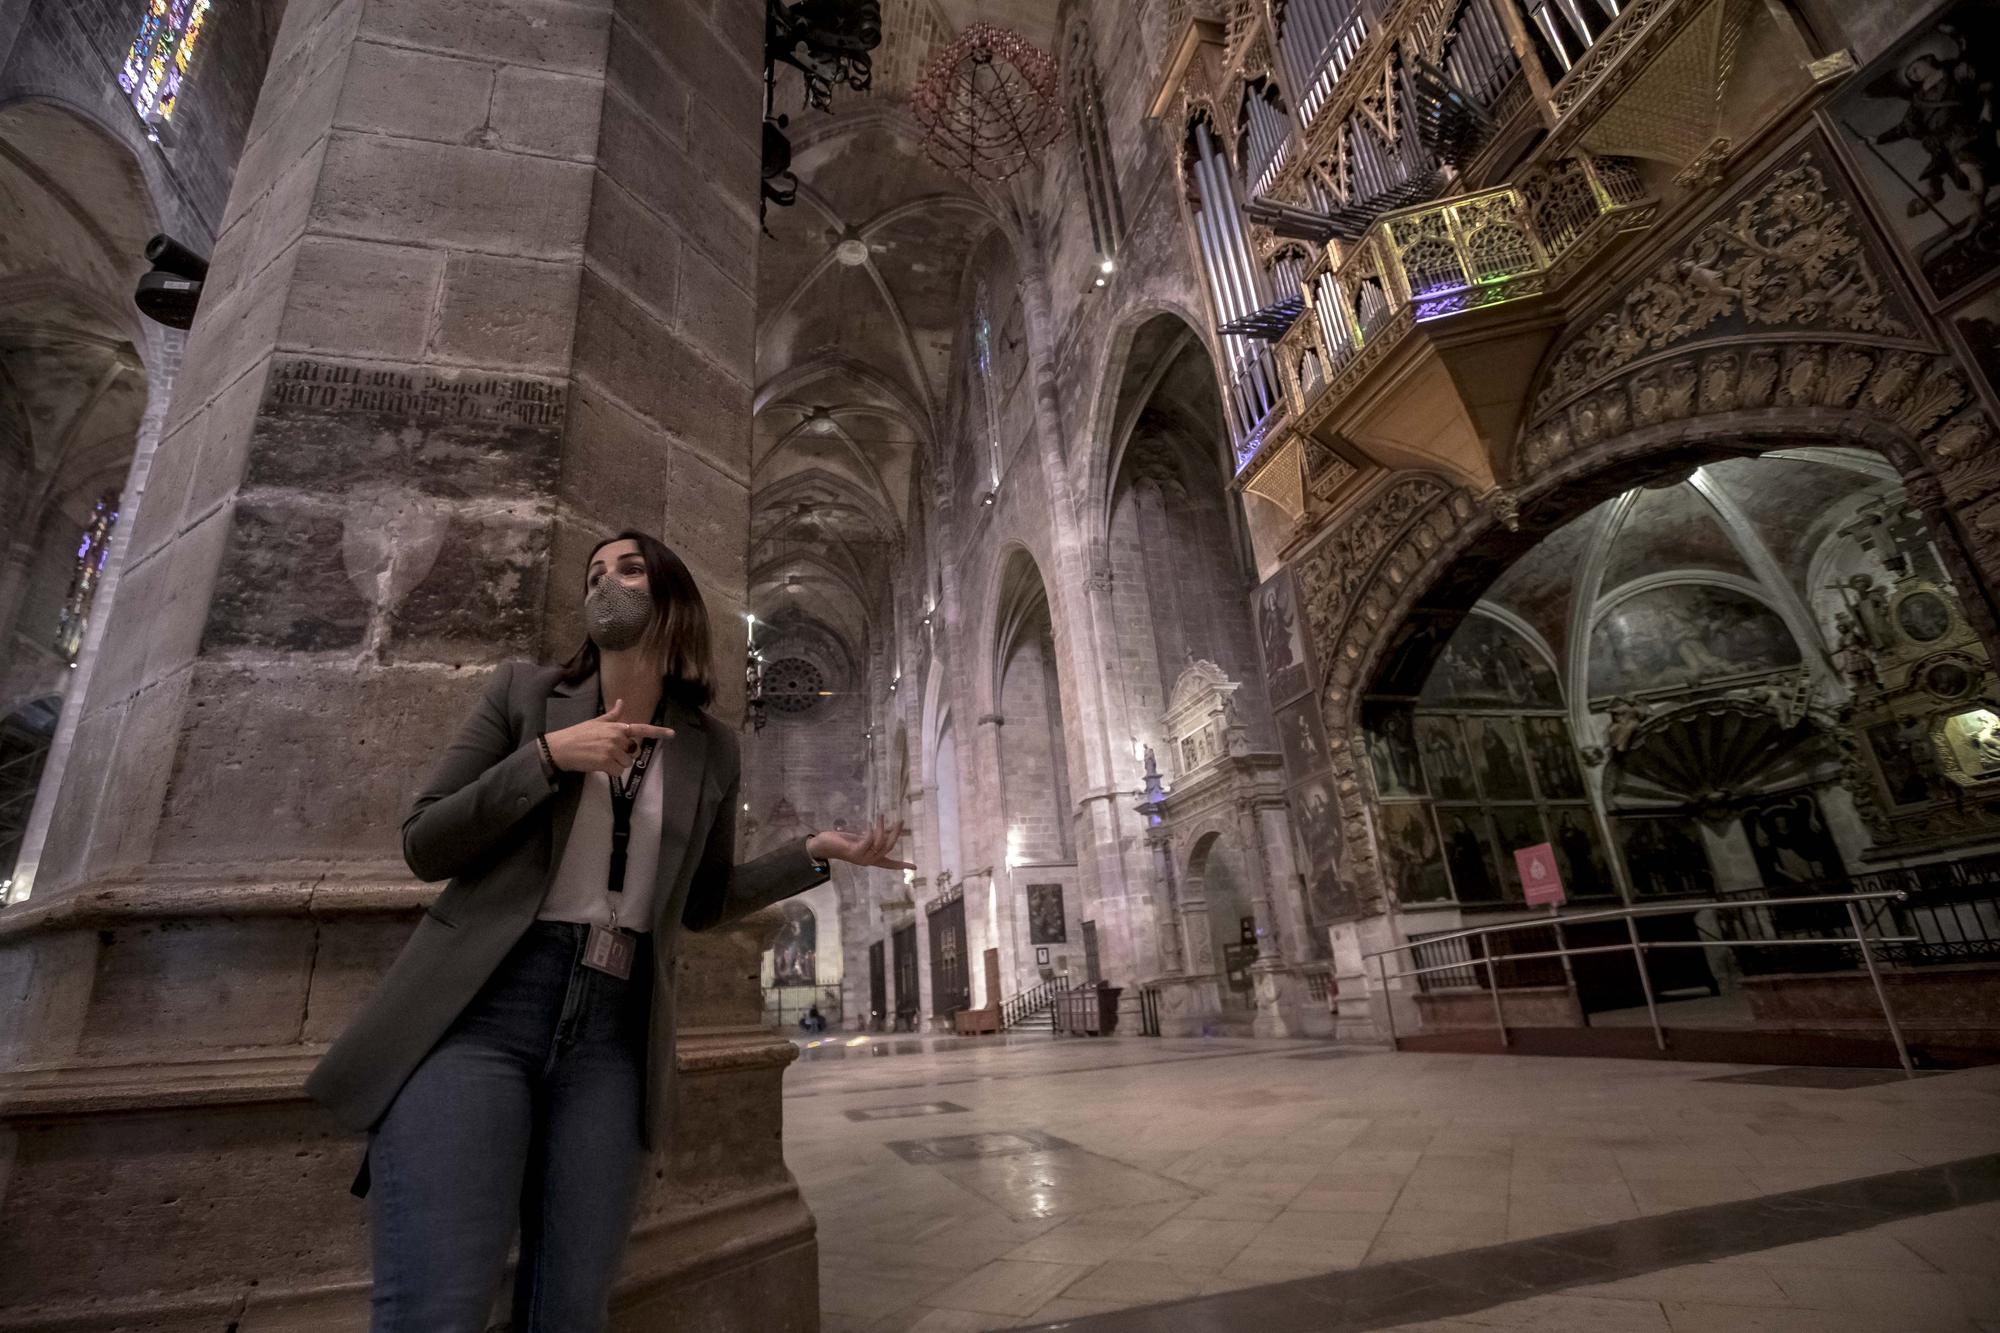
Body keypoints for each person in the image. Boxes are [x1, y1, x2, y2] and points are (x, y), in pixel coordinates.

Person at [304, 531, 912, 1333]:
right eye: (595, 573)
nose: (607, 581)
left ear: (673, 598)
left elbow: (700, 902)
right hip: (484, 1011)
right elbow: (425, 840)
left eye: (629, 567)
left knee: (572, 1309)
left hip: (612, 1033)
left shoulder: (708, 747)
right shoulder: (525, 695)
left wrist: (811, 853)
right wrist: (550, 757)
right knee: (439, 1307)